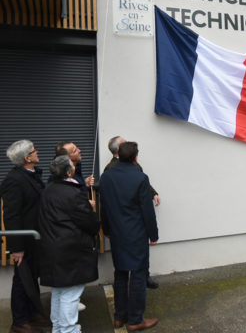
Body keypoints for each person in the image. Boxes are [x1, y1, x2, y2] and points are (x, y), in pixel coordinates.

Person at [100, 142, 159, 331]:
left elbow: (104, 207)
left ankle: (120, 317)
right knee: (138, 275)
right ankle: (135, 320)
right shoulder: (140, 178)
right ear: (135, 157)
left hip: (117, 233)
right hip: (136, 234)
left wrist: (106, 229)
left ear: (118, 154)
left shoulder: (106, 176)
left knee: (120, 273)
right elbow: (147, 211)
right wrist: (153, 234)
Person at [38, 155, 99, 333]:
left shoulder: (48, 190)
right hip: (71, 251)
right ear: (69, 172)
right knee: (70, 295)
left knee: (59, 292)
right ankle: (68, 330)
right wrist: (91, 211)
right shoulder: (73, 193)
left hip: (53, 247)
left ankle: (58, 328)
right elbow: (89, 223)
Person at [0, 140, 50, 333]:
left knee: (31, 276)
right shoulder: (14, 180)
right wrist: (17, 248)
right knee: (21, 280)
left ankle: (33, 313)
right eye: (34, 150)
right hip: (24, 240)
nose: (37, 152)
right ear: (27, 158)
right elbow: (11, 216)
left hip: (35, 238)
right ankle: (20, 322)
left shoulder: (32, 175)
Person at [104, 136, 160, 289]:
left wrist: (153, 193)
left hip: (128, 225)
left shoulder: (132, 165)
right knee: (128, 268)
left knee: (136, 266)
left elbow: (141, 181)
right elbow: (108, 202)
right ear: (119, 149)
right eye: (124, 143)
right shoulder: (110, 169)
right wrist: (153, 234)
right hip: (127, 224)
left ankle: (144, 277)